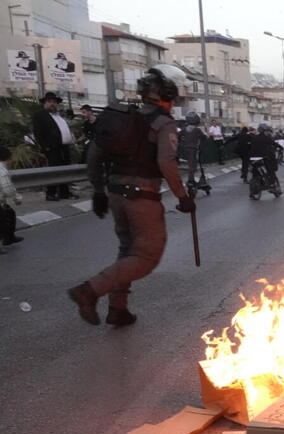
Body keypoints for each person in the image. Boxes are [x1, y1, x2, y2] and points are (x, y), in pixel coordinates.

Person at [67, 64, 194, 327]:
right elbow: (167, 164)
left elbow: (94, 154)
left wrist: (98, 190)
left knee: (127, 250)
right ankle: (88, 291)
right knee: (146, 257)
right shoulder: (164, 123)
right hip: (142, 197)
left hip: (115, 194)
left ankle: (118, 309)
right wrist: (182, 196)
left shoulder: (123, 118)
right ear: (169, 92)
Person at [32, 92, 77, 201]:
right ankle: (50, 193)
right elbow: (38, 133)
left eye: (54, 102)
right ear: (45, 103)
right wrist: (45, 148)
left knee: (65, 170)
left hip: (63, 147)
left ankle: (64, 193)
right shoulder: (40, 115)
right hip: (52, 148)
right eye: (50, 102)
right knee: (54, 171)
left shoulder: (58, 116)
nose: (52, 104)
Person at [0, 146, 24, 251]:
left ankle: (9, 238)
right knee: (2, 222)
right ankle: (7, 238)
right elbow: (8, 189)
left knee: (9, 213)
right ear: (8, 159)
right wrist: (17, 198)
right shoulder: (2, 171)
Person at [179, 112, 206, 191]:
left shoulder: (184, 129)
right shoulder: (197, 130)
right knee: (192, 166)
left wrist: (182, 141)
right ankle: (191, 180)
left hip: (185, 149)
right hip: (193, 149)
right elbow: (204, 137)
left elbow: (177, 135)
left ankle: (192, 180)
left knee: (190, 164)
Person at [250, 123, 279, 188]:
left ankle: (255, 186)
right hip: (264, 157)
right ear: (264, 130)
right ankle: (272, 183)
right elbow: (274, 144)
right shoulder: (266, 138)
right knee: (270, 170)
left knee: (255, 171)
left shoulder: (254, 137)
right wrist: (280, 147)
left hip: (254, 158)